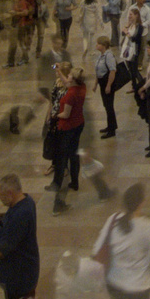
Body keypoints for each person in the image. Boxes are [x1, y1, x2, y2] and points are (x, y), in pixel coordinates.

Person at [50, 70, 86, 213]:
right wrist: (59, 72)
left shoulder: (71, 95)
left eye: (70, 75)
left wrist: (54, 116)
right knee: (74, 153)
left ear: (74, 80)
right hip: (79, 124)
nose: (68, 76)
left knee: (63, 157)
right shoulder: (81, 88)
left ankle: (60, 183)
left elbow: (66, 114)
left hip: (68, 127)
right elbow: (67, 82)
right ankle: (75, 182)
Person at [94, 36, 119, 138]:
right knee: (106, 105)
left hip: (107, 83)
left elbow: (113, 71)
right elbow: (98, 70)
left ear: (103, 46)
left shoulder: (109, 56)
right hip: (102, 82)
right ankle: (110, 125)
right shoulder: (101, 55)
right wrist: (95, 84)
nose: (96, 45)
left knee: (109, 106)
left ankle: (112, 130)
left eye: (98, 44)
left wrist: (108, 85)